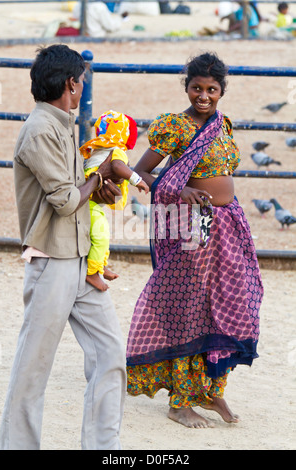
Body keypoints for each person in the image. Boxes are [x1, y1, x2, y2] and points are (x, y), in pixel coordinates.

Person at [0, 45, 126, 450]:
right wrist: (99, 175)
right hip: (52, 263)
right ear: (72, 83)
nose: (82, 85)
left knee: (110, 356)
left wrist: (98, 191)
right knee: (32, 369)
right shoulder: (39, 130)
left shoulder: (62, 125)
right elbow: (66, 199)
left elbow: (78, 196)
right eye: (82, 80)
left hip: (80, 263)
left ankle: (103, 449)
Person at [126, 52, 263, 428]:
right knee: (191, 309)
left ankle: (212, 389)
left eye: (211, 89)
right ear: (186, 87)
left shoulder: (223, 125)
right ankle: (181, 401)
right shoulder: (175, 126)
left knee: (229, 303)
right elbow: (140, 172)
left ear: (221, 91)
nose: (203, 95)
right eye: (196, 88)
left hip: (227, 227)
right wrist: (180, 188)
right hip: (191, 229)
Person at [80, 109, 149, 291]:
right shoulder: (116, 150)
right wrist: (137, 180)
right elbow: (117, 166)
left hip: (89, 200)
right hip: (90, 203)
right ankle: (92, 272)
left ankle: (100, 266)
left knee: (101, 233)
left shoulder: (98, 148)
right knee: (101, 236)